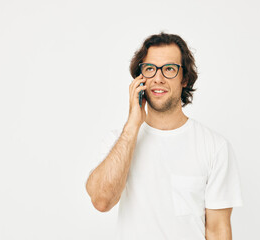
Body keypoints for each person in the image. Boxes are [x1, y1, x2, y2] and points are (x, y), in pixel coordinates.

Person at [85, 32, 243, 240]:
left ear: (184, 78)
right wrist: (133, 125)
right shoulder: (120, 141)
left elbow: (217, 230)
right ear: (140, 79)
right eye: (150, 69)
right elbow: (101, 201)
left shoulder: (214, 146)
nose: (158, 78)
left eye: (169, 69)